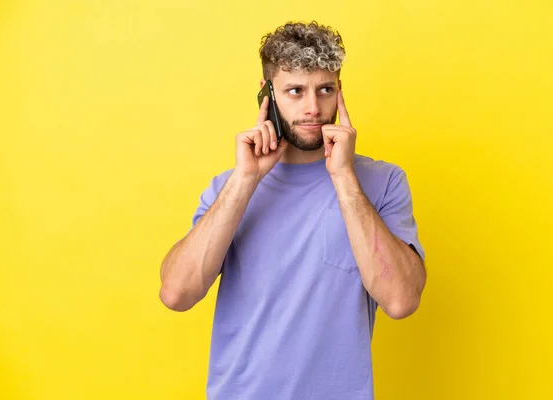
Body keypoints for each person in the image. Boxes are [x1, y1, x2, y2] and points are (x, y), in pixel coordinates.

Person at [159, 21, 427, 400]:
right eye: (295, 91)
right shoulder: (229, 187)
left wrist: (344, 178)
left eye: (325, 90)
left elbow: (401, 301)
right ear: (266, 95)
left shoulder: (382, 182)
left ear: (340, 94)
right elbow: (176, 294)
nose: (313, 108)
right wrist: (245, 180)